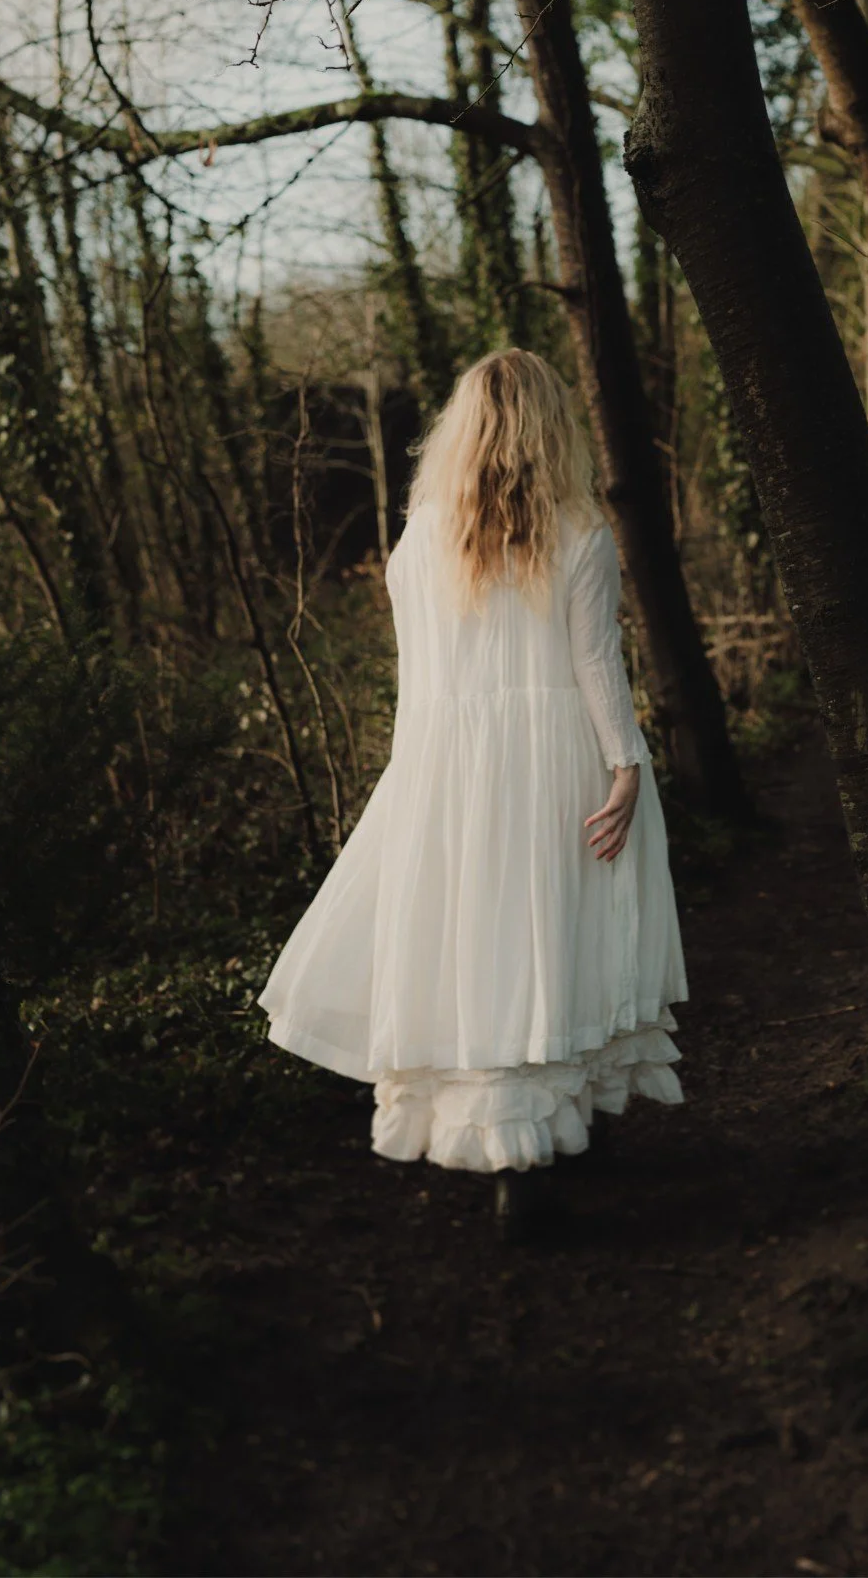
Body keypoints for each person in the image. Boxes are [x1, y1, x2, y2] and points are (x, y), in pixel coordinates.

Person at [257, 349, 688, 1234]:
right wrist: (627, 766)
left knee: (474, 944)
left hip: (442, 763)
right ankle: (545, 1134)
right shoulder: (580, 533)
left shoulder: (419, 539)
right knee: (554, 931)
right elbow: (596, 664)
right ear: (549, 429)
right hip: (555, 757)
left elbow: (418, 678)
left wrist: (418, 772)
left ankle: (518, 1149)